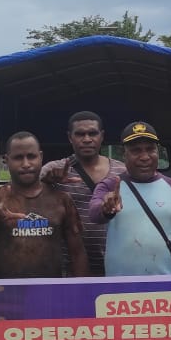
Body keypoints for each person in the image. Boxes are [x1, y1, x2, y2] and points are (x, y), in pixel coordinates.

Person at [0, 131, 88, 278]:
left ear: (41, 157)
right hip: (5, 290)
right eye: (18, 158)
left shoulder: (61, 199)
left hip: (50, 290)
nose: (26, 164)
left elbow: (77, 253)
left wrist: (81, 289)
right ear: (6, 160)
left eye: (31, 156)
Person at [88, 121, 171, 275]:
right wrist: (106, 209)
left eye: (150, 149)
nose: (145, 157)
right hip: (119, 286)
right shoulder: (110, 186)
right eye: (136, 150)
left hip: (165, 285)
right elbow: (94, 214)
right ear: (123, 154)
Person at [39, 111, 126, 276]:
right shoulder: (54, 171)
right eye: (80, 134)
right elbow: (27, 197)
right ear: (70, 137)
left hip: (115, 265)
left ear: (102, 136)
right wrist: (45, 183)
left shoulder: (122, 171)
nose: (87, 139)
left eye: (92, 133)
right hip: (69, 267)